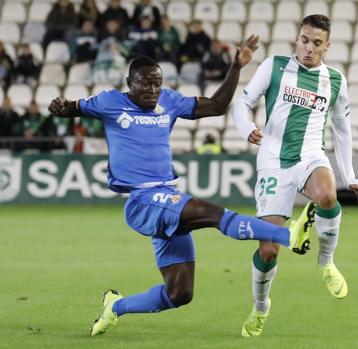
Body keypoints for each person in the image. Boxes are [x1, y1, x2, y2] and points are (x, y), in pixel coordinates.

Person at [48, 39, 315, 336]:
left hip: (166, 198)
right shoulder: (109, 102)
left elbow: (216, 106)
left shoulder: (169, 102)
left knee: (179, 293)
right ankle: (288, 235)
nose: (152, 90)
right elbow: (71, 108)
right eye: (145, 84)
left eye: (157, 84)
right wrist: (60, 107)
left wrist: (236, 66)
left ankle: (115, 307)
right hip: (143, 200)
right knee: (209, 212)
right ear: (129, 83)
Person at [231, 14, 358, 337]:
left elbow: (342, 129)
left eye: (317, 43)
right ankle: (261, 306)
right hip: (272, 163)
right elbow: (242, 103)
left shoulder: (335, 80)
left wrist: (349, 175)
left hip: (310, 155)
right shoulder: (273, 66)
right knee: (268, 250)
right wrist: (247, 128)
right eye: (305, 40)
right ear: (297, 38)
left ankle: (325, 262)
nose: (309, 48)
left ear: (327, 46)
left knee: (328, 195)